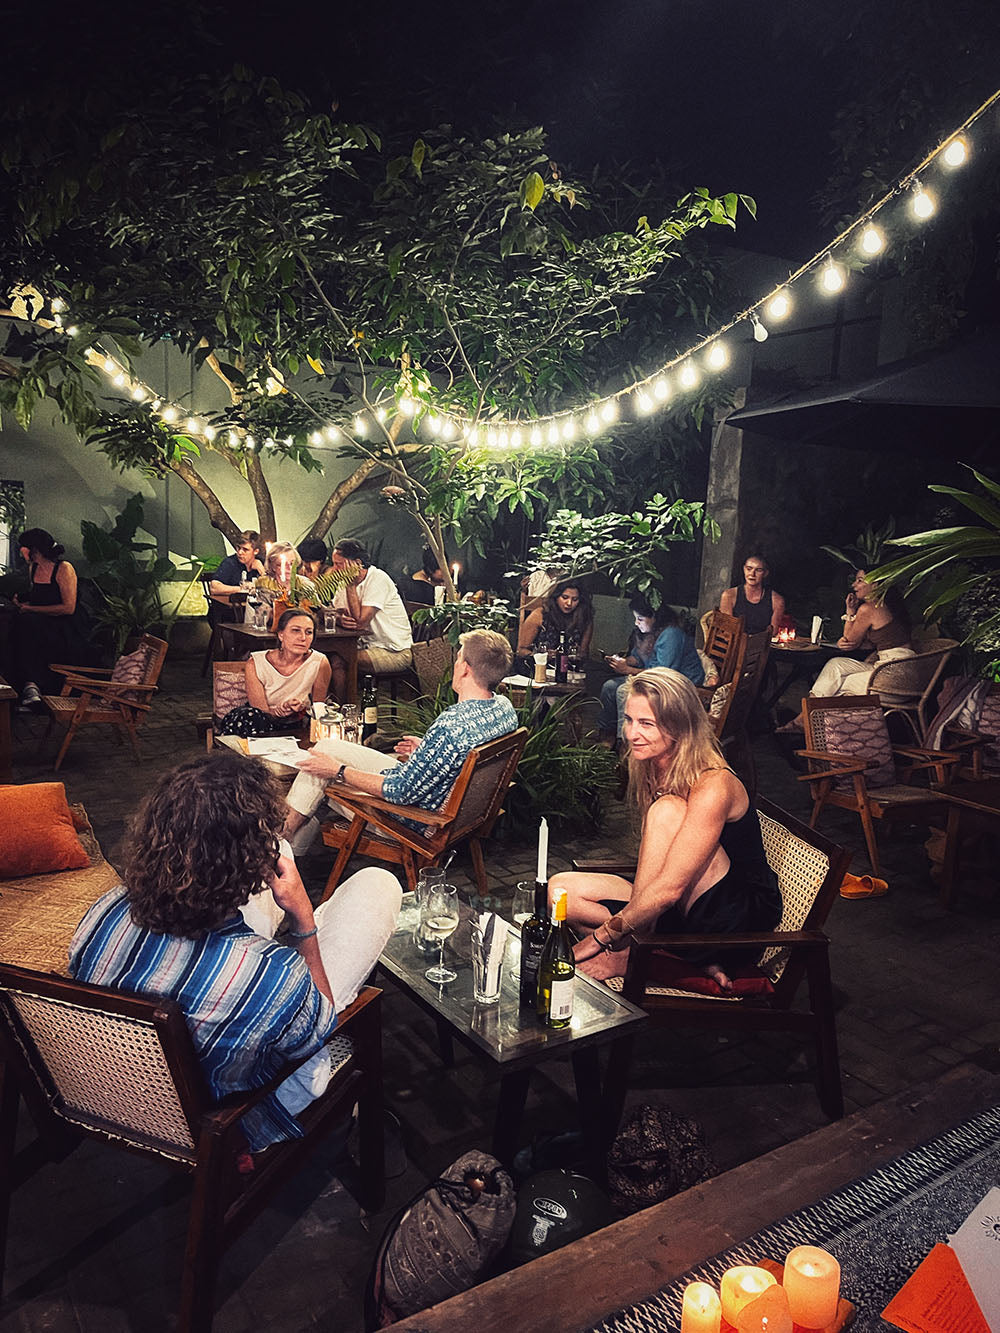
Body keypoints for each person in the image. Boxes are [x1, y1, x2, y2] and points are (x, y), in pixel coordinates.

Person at [68, 751, 401, 1152]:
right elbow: (317, 1029)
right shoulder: (274, 976)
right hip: (231, 1119)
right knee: (379, 884)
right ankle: (313, 912)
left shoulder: (104, 911)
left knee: (287, 856)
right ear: (253, 865)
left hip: (128, 1092)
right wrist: (303, 921)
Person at [551, 668, 781, 991]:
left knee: (667, 810)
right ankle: (667, 954)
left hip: (735, 920)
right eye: (628, 720)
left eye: (646, 723)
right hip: (683, 903)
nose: (631, 734)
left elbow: (669, 889)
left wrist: (600, 939)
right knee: (560, 891)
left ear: (678, 726)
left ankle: (633, 952)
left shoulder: (714, 782)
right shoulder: (656, 764)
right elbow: (663, 879)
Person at [282, 628, 516, 850]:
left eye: (457, 659)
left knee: (320, 771)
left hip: (417, 820)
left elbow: (399, 792)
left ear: (465, 668)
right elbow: (459, 758)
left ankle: (283, 843)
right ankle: (289, 844)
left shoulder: (451, 726)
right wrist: (428, 751)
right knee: (326, 747)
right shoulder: (504, 709)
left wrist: (338, 771)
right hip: (457, 810)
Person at [777, 570, 914, 732]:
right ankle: (805, 720)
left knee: (839, 684)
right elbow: (868, 644)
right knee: (836, 665)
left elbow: (849, 640)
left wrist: (850, 612)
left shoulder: (869, 608)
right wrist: (850, 641)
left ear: (875, 584)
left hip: (894, 679)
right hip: (901, 670)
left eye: (860, 581)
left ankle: (814, 728)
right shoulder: (888, 606)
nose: (854, 585)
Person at [597, 595, 704, 741]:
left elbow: (663, 673)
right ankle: (606, 736)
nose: (636, 623)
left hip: (677, 683)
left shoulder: (671, 634)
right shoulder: (649, 633)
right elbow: (638, 658)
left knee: (624, 691)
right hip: (653, 676)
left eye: (640, 619)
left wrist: (628, 671)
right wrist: (623, 661)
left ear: (654, 617)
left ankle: (626, 743)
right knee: (609, 687)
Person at [218, 608, 331, 738]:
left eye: (309, 632)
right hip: (260, 722)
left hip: (297, 724)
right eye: (295, 630)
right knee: (251, 717)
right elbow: (260, 709)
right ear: (281, 634)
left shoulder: (320, 662)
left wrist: (301, 709)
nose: (303, 637)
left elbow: (318, 710)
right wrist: (277, 711)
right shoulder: (256, 662)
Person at [326, 539, 413, 700]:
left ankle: (344, 710)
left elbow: (360, 623)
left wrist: (350, 586)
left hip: (394, 651)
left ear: (357, 563)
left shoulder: (378, 579)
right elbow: (334, 611)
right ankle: (334, 708)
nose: (334, 569)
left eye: (339, 564)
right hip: (364, 646)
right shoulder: (341, 581)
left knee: (342, 661)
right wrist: (339, 619)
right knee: (326, 658)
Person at [10, 527, 85, 707]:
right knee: (19, 624)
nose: (20, 550)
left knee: (28, 625)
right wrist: (21, 599)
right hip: (39, 622)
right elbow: (39, 594)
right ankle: (29, 686)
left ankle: (34, 685)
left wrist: (31, 609)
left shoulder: (64, 568)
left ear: (34, 549)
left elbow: (68, 608)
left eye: (23, 546)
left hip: (64, 626)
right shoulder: (33, 568)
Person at [517, 581, 594, 659]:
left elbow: (584, 653)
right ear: (556, 597)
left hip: (570, 667)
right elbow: (521, 650)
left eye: (575, 599)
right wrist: (542, 656)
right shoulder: (539, 615)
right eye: (565, 597)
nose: (569, 603)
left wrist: (573, 655)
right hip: (540, 666)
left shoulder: (584, 618)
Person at [720, 554, 787, 636]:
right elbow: (727, 630)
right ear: (744, 569)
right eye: (749, 569)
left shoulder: (777, 600)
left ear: (765, 573)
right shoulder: (729, 595)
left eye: (758, 570)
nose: (752, 574)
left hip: (761, 646)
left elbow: (773, 633)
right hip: (734, 645)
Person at [209, 531, 265, 600]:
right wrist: (242, 589)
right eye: (238, 548)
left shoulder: (261, 562)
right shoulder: (229, 563)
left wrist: (262, 571)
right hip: (228, 608)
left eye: (245, 549)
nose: (240, 552)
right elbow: (214, 588)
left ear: (256, 551)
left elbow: (274, 589)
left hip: (253, 608)